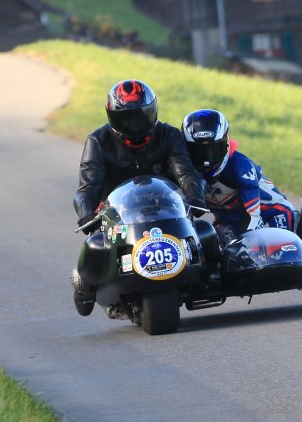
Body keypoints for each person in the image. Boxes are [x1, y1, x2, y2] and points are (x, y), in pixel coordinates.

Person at [72, 80, 208, 313]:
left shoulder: (169, 135)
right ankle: (83, 284)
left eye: (141, 115)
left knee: (206, 233)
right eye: (127, 118)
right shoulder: (98, 141)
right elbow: (88, 187)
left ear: (153, 111)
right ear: (113, 117)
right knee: (93, 246)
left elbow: (186, 173)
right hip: (118, 215)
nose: (135, 124)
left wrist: (195, 199)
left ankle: (208, 275)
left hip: (166, 209)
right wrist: (86, 214)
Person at [181, 108, 297, 237]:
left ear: (226, 143)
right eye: (198, 152)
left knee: (273, 246)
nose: (207, 160)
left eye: (214, 150)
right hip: (231, 222)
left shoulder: (241, 167)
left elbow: (254, 217)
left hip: (272, 213)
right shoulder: (181, 172)